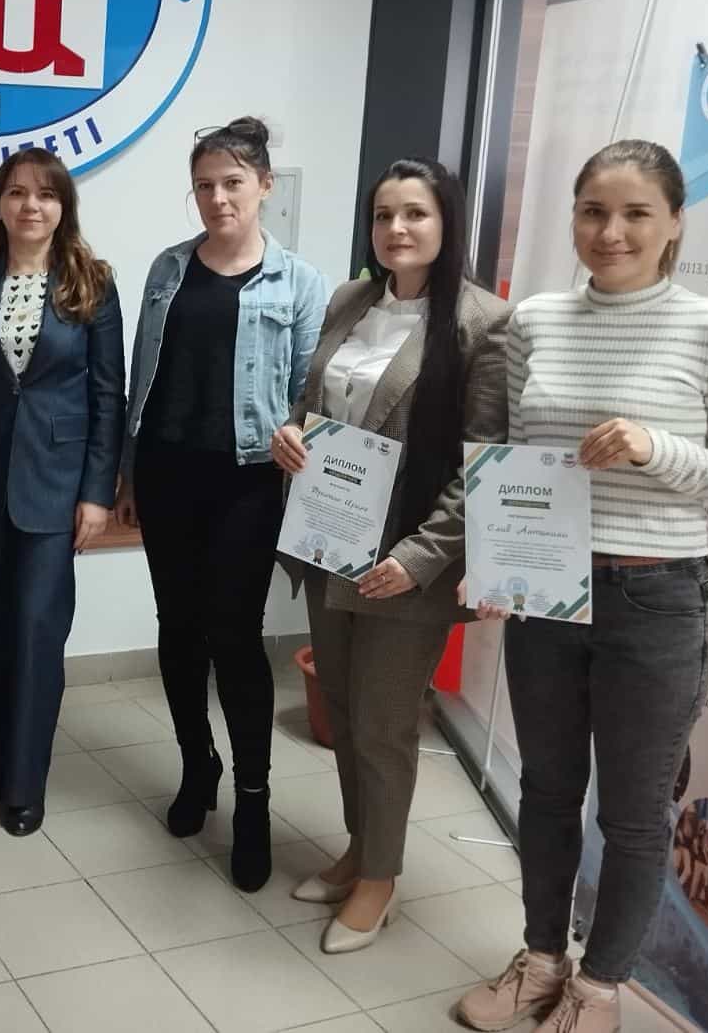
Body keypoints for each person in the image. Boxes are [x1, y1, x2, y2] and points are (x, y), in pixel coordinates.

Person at [457, 140, 708, 1033]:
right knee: (547, 790)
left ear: (674, 224)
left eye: (635, 213)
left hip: (656, 597)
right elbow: (516, 459)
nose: (611, 231)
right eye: (593, 211)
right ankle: (542, 957)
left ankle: (601, 985)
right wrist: (495, 559)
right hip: (546, 591)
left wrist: (653, 447)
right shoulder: (536, 320)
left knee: (632, 812)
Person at [272, 158, 510, 954]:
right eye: (383, 214)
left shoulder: (482, 322)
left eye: (415, 213)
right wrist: (291, 431)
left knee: (382, 723)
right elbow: (317, 401)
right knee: (342, 710)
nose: (396, 228)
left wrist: (421, 556)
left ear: (447, 222)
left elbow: (483, 463)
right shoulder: (350, 298)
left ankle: (381, 878)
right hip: (330, 540)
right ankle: (359, 848)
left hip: (407, 564)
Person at [115, 117, 328, 890]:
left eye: (233, 183)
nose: (217, 198)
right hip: (167, 473)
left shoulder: (298, 281)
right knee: (178, 629)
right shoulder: (169, 268)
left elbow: (309, 389)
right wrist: (129, 473)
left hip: (246, 481)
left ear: (264, 185)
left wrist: (298, 428)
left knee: (235, 637)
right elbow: (143, 377)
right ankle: (196, 763)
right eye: (204, 185)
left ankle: (253, 800)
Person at [0, 148, 125, 836]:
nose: (30, 205)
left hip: (56, 488)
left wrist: (97, 492)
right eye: (16, 193)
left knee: (37, 632)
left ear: (63, 206)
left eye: (44, 194)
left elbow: (109, 396)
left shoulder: (93, 282)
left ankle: (25, 783)